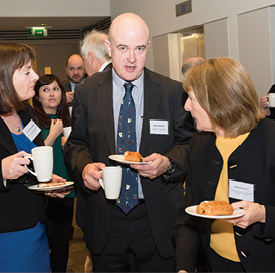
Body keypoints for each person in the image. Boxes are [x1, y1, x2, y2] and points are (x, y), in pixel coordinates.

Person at [64, 12, 194, 272]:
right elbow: (76, 145)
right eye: (123, 48)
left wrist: (168, 163)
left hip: (157, 219)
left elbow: (190, 144)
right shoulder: (88, 93)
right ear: (109, 48)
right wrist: (85, 167)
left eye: (139, 48)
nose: (132, 58)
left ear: (148, 47)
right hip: (105, 218)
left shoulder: (171, 92)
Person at [0, 41, 66, 272]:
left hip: (35, 232)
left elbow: (28, 166)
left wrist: (45, 181)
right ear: (1, 76)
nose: (36, 76)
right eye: (27, 71)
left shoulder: (26, 112)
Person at [174, 57, 275, 272]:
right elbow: (189, 215)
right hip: (215, 264)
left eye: (191, 98)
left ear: (216, 101)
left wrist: (263, 214)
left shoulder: (271, 140)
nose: (186, 106)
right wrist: (184, 266)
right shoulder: (199, 145)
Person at [33, 74, 75, 272]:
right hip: (41, 191)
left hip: (65, 188)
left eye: (56, 89)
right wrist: (52, 135)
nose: (51, 94)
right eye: (45, 89)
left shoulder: (70, 120)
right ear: (37, 96)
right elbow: (31, 157)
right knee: (41, 243)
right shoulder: (31, 122)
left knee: (61, 243)